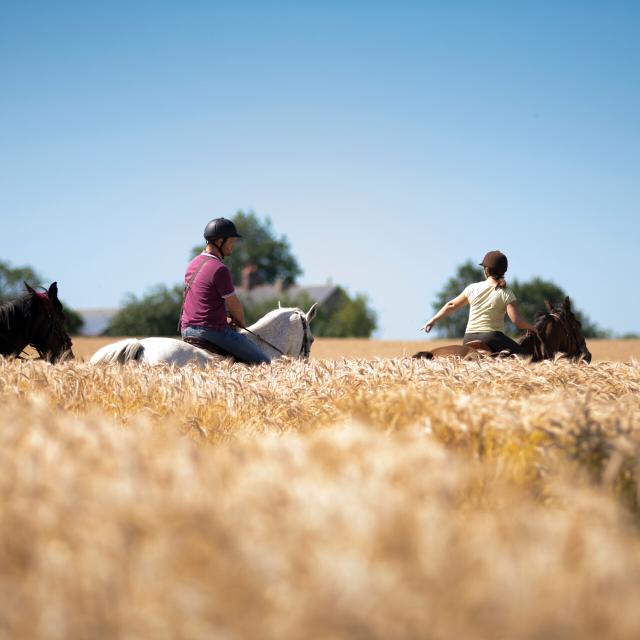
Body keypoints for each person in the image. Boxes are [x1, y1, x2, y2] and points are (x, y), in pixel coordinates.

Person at [180, 217, 271, 365]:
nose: (232, 246)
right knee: (265, 363)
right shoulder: (219, 268)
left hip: (186, 330)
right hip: (210, 332)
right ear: (219, 241)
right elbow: (234, 305)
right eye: (231, 241)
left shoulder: (192, 264)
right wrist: (240, 323)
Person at [420, 250, 537, 353]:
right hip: (492, 338)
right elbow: (516, 321)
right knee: (527, 357)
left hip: (468, 338)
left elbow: (451, 305)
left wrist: (433, 320)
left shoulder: (472, 288)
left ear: (486, 270)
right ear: (504, 271)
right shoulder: (506, 292)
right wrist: (533, 328)